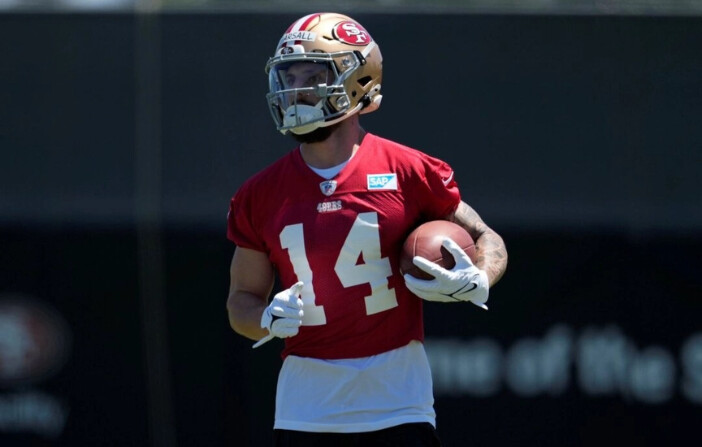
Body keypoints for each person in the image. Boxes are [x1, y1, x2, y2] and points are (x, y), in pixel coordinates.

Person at [226, 12, 508, 447]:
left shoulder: (407, 170)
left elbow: (489, 238)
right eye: (289, 76)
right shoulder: (259, 194)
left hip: (399, 400)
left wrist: (479, 278)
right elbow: (240, 303)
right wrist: (265, 318)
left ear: (358, 81)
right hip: (307, 406)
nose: (296, 90)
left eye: (313, 74)